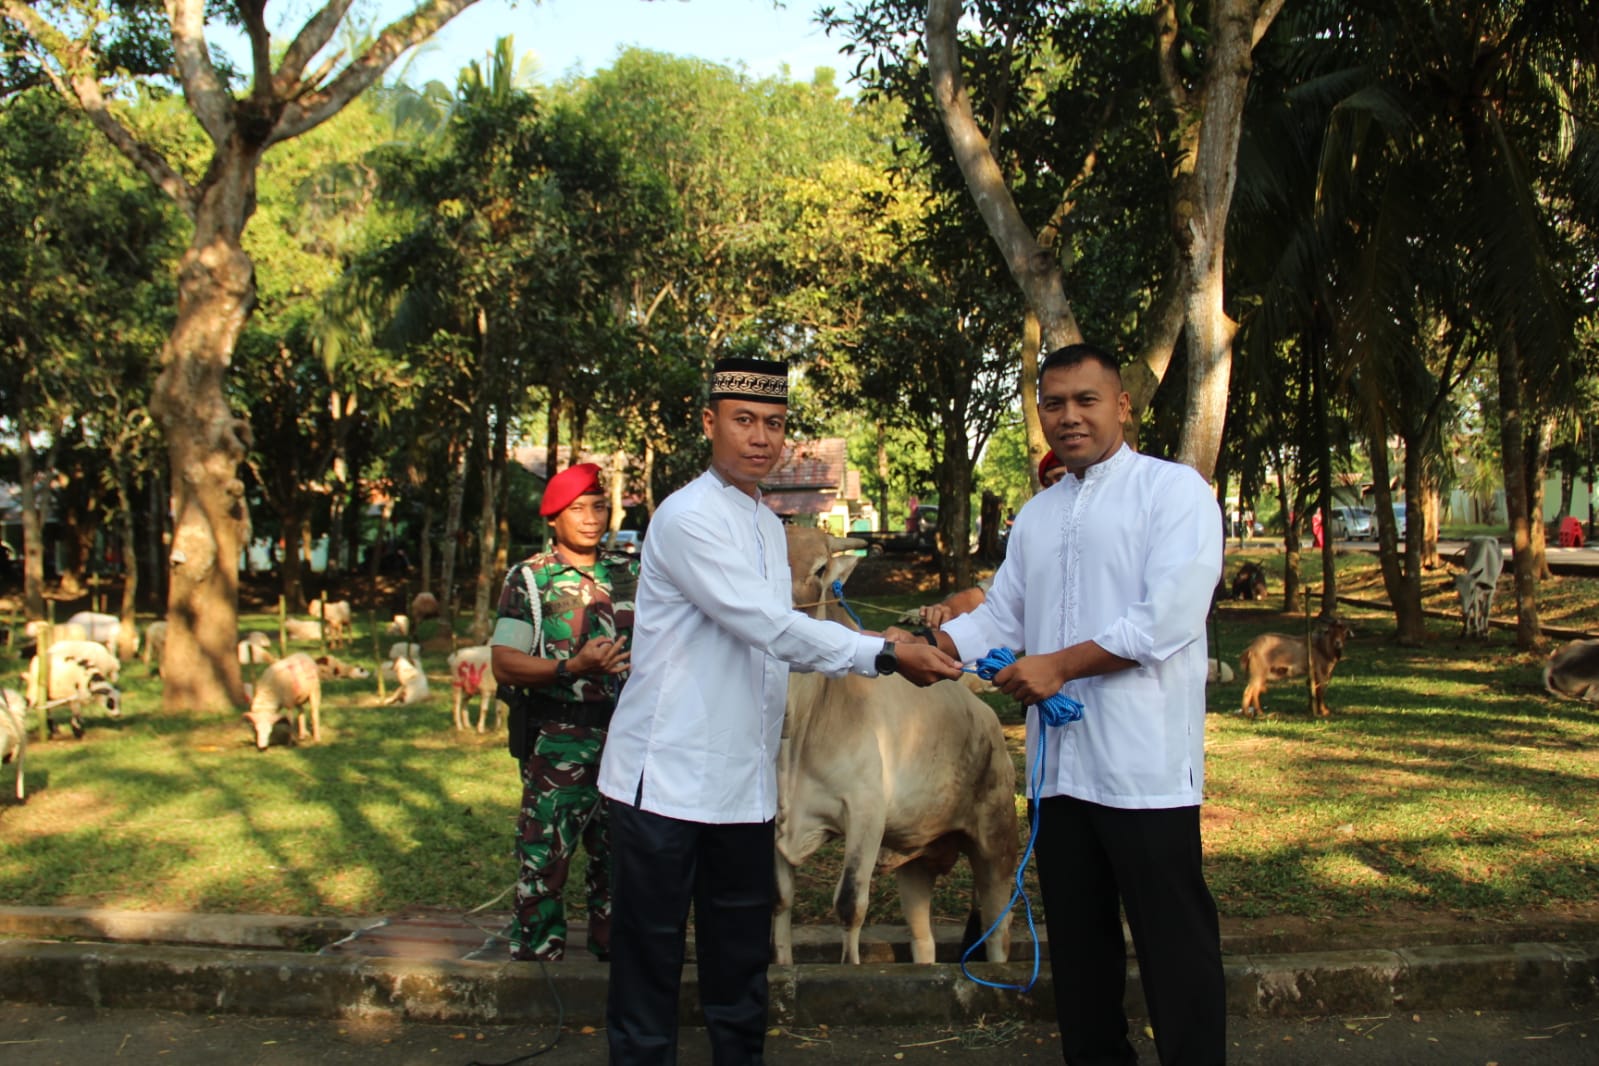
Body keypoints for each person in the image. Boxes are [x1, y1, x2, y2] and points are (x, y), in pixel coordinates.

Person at [597, 356, 963, 1066]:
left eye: (773, 424)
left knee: (740, 965)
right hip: (664, 781)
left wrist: (883, 643)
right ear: (709, 424)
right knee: (650, 965)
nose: (759, 438)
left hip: (742, 784)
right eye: (742, 421)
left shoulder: (768, 526)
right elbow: (768, 626)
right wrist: (886, 653)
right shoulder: (685, 518)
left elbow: (789, 633)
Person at [889, 343, 1226, 1066]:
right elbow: (1000, 619)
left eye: (1085, 400)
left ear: (1121, 406)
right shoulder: (1039, 516)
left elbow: (1165, 620)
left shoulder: (1174, 493)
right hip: (1060, 773)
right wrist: (923, 647)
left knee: (1174, 946)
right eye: (1053, 404)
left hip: (1145, 771)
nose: (1068, 417)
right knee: (1080, 952)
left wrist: (1058, 667)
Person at [490, 462, 638, 963]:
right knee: (545, 857)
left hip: (629, 741)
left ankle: (615, 950)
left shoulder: (629, 572)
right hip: (559, 739)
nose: (591, 518)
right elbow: (504, 663)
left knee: (622, 858)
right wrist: (571, 665)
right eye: (577, 509)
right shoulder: (530, 579)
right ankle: (537, 958)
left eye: (598, 506)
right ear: (554, 519)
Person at [919, 450, 1067, 627]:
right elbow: (994, 593)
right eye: (1049, 483)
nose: (1055, 488)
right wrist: (945, 610)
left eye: (1061, 477)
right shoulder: (1037, 541)